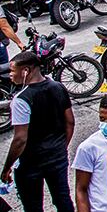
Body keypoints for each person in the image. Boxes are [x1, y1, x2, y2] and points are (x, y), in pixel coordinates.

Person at [2, 51, 75, 212]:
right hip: (58, 158)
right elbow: (70, 122)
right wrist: (61, 147)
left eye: (13, 71)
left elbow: (20, 139)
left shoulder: (22, 99)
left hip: (31, 163)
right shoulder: (58, 87)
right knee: (63, 199)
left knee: (33, 206)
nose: (10, 75)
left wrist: (7, 167)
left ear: (26, 70)